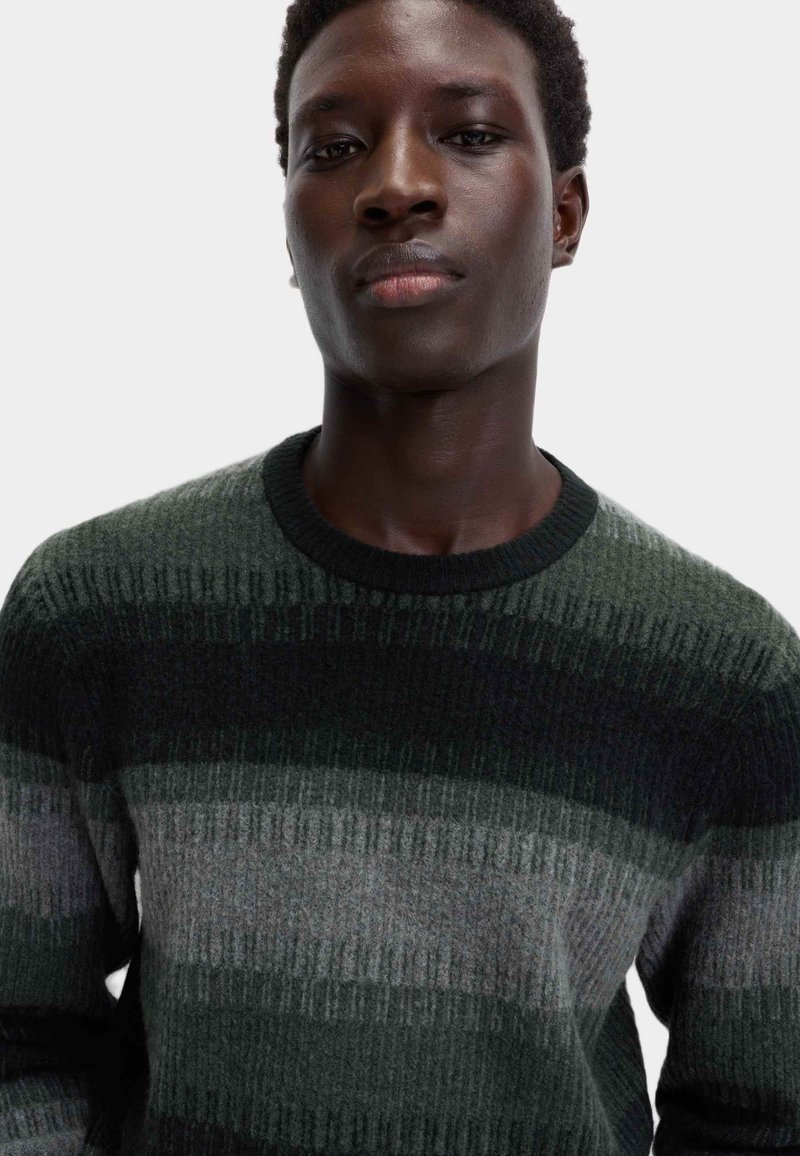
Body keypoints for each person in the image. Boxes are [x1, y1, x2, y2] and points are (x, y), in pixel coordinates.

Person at [1, 0, 798, 1152]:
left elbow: (762, 1112)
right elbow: (19, 1035)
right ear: (289, 225)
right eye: (332, 147)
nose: (395, 186)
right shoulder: (97, 611)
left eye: (467, 134)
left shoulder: (719, 670)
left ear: (564, 212)